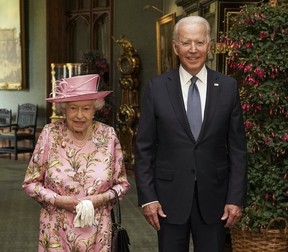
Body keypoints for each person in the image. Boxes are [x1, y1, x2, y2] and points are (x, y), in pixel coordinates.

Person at [135, 16, 247, 252]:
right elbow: (144, 147)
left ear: (209, 45)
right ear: (176, 47)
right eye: (186, 43)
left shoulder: (227, 87)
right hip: (168, 199)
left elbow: (237, 149)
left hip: (215, 200)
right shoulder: (157, 87)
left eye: (199, 42)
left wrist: (235, 198)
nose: (193, 50)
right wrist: (148, 197)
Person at [22, 74, 130, 252]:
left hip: (98, 232)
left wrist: (100, 199)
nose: (80, 115)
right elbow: (30, 184)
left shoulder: (108, 135)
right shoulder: (50, 134)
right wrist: (59, 200)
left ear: (94, 109)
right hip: (56, 230)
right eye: (73, 108)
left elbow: (122, 185)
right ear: (64, 109)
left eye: (86, 108)